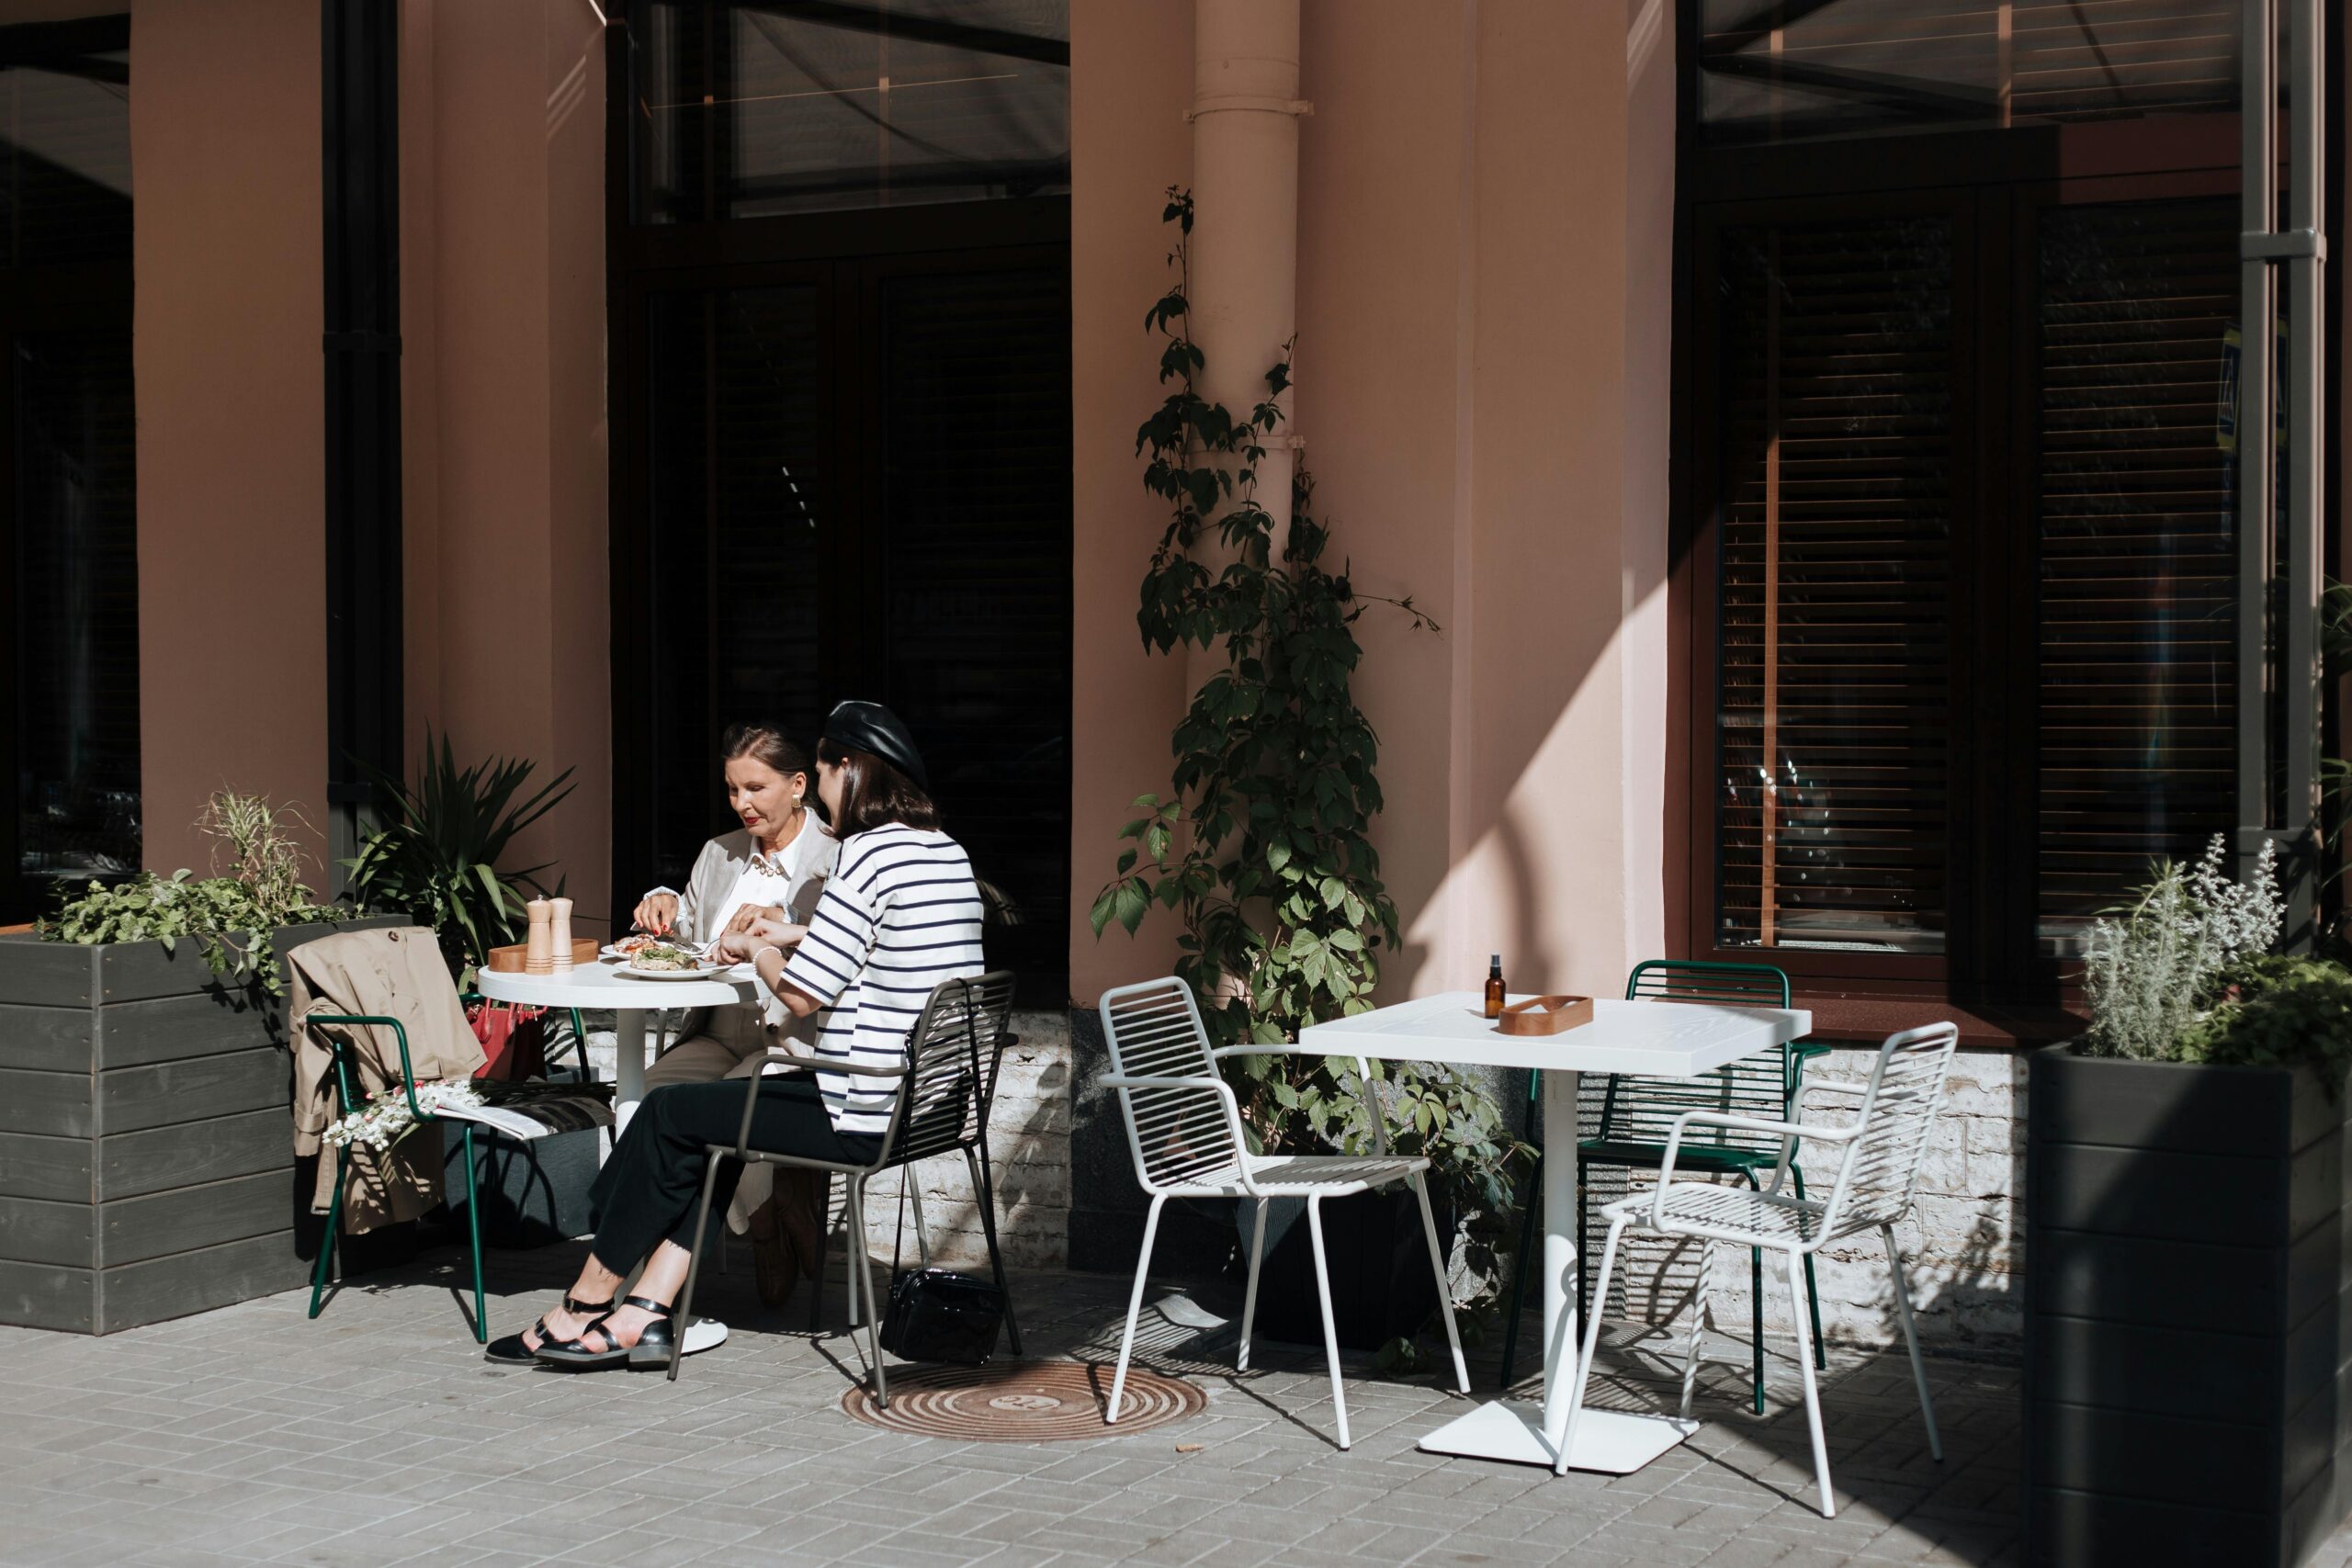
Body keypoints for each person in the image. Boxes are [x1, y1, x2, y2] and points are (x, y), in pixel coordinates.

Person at [515, 701, 986, 1371]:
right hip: (935, 1107)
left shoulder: (864, 854)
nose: (823, 791)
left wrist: (748, 944)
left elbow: (796, 993)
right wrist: (793, 932)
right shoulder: (944, 850)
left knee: (668, 1115)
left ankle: (585, 1300)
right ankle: (645, 1312)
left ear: (846, 771)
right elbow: (885, 943)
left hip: (863, 1108)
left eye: (822, 773)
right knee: (710, 1129)